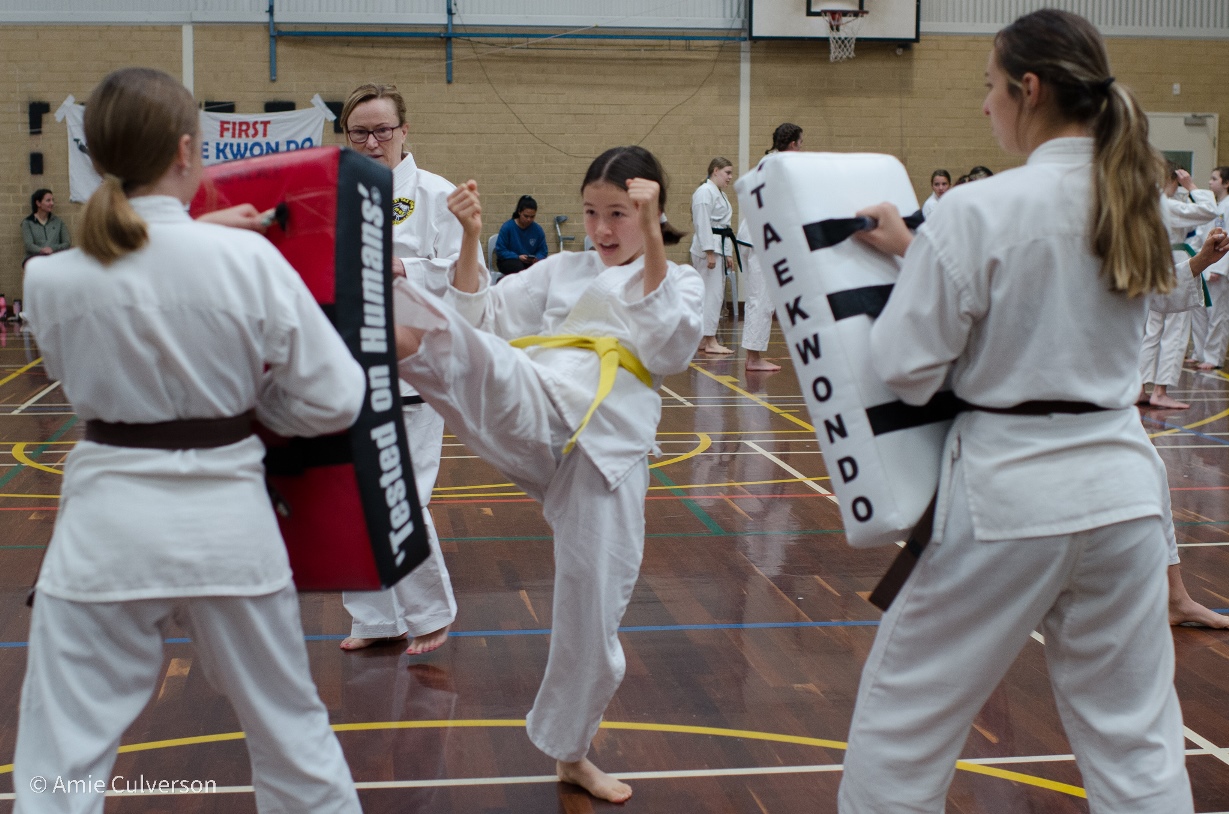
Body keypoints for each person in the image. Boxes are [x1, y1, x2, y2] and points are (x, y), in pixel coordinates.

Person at [841, 10, 1196, 812]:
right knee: (1134, 740)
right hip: (1122, 493)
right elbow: (1051, 285)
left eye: (990, 88)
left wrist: (920, 265)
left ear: (1027, 89)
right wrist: (920, 250)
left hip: (1009, 494)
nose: (984, 106)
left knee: (904, 725)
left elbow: (902, 366)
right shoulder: (1133, 199)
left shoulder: (975, 210)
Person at [13, 67, 364, 813]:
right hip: (229, 529)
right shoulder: (245, 259)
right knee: (293, 744)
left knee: (56, 768)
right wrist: (262, 406)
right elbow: (336, 397)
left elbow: (134, 279)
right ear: (184, 150)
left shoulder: (49, 279)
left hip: (104, 533)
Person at [390, 146, 703, 803]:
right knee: (483, 362)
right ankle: (391, 314)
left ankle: (571, 751)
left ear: (652, 212)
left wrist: (649, 241)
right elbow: (484, 317)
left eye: (618, 214)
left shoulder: (678, 279)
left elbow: (671, 344)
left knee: (593, 611)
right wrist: (473, 238)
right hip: (540, 405)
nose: (601, 229)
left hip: (606, 452)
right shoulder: (561, 269)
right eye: (591, 213)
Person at [337, 82, 468, 656]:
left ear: (404, 132)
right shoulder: (334, 195)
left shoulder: (438, 196)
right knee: (350, 496)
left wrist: (403, 270)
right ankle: (374, 619)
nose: (371, 141)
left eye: (381, 129)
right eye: (359, 131)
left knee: (402, 497)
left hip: (413, 367)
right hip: (344, 368)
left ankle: (430, 613)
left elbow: (468, 278)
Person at [1138, 164, 1218, 408]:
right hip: (1175, 264)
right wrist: (1191, 186)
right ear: (1170, 181)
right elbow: (1209, 210)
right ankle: (1160, 391)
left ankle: (1140, 388)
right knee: (1175, 329)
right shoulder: (1165, 205)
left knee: (1151, 331)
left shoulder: (1143, 204)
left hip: (1152, 264)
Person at [691, 156, 735, 354]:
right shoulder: (704, 192)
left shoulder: (717, 193)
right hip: (708, 249)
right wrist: (709, 251)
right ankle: (710, 340)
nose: (730, 177)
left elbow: (723, 227)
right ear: (715, 171)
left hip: (719, 246)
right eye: (727, 172)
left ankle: (703, 338)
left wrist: (727, 254)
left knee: (713, 294)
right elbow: (702, 223)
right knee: (712, 294)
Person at [1188, 165, 1229, 370]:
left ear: (1226, 183)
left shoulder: (1228, 206)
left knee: (1217, 314)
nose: (1210, 182)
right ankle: (1199, 352)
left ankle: (1213, 357)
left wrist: (1219, 268)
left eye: (1214, 179)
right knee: (1200, 310)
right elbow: (1201, 235)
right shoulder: (1213, 205)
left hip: (1218, 267)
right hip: (1204, 264)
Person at [494, 194, 549, 275]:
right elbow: (500, 250)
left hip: (529, 262)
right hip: (509, 261)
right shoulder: (507, 227)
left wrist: (537, 258)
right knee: (518, 267)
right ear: (519, 212)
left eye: (532, 217)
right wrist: (517, 257)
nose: (529, 219)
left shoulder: (538, 230)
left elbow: (543, 251)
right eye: (526, 216)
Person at [21, 188, 71, 265]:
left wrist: (52, 249)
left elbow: (66, 243)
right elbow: (29, 245)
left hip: (55, 260)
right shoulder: (27, 223)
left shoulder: (58, 222)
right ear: (38, 203)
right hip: (36, 260)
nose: (52, 203)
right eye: (48, 200)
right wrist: (42, 250)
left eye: (52, 200)